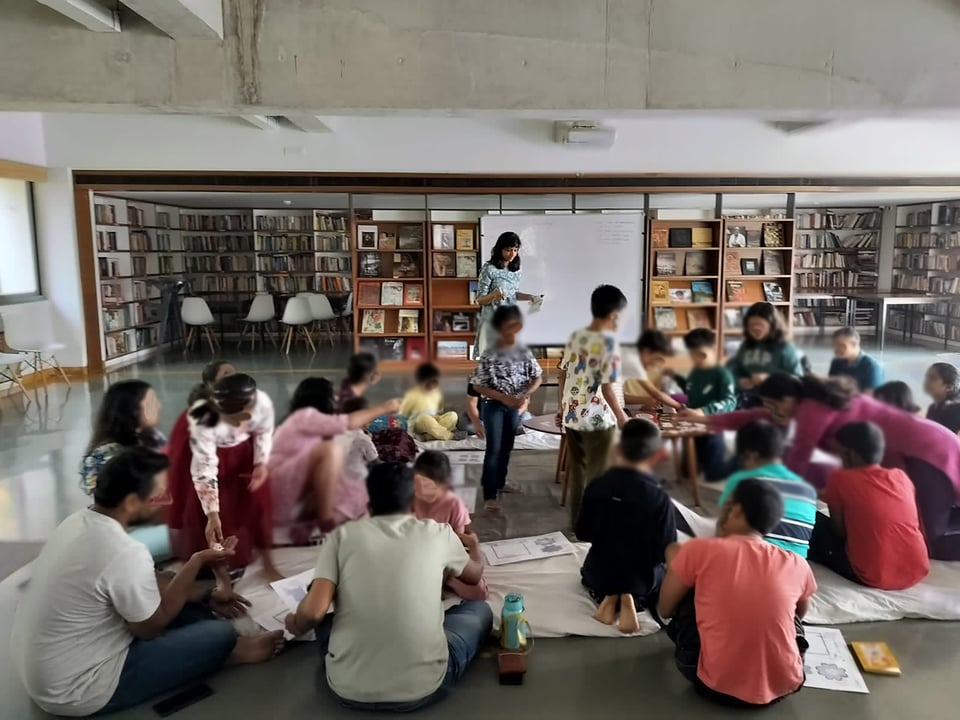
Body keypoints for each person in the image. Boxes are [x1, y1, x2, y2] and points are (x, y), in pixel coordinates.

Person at [11, 448, 283, 717]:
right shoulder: (122, 549)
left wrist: (206, 595)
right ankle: (229, 656)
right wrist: (197, 562)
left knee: (199, 611)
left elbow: (145, 581)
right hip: (77, 688)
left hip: (50, 664)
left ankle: (204, 647)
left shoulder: (78, 522)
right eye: (160, 495)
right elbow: (150, 628)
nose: (168, 500)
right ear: (131, 503)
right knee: (220, 636)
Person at [284, 462, 492, 711]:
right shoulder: (438, 532)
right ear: (415, 506)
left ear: (369, 506)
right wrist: (476, 548)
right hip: (425, 687)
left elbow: (311, 613)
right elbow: (474, 576)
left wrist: (294, 623)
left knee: (327, 619)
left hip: (347, 688)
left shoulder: (342, 536)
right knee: (479, 611)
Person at [702, 373, 960, 560]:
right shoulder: (810, 403)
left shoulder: (812, 408)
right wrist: (708, 419)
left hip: (925, 450)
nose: (772, 412)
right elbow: (761, 418)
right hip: (915, 448)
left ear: (791, 398)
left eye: (774, 404)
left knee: (932, 542)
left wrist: (778, 501)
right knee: (920, 518)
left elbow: (799, 459)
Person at [657, 478, 816, 707]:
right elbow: (800, 615)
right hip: (784, 686)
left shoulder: (698, 551)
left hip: (710, 684)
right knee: (788, 612)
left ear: (737, 510)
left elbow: (665, 609)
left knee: (690, 591)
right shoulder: (796, 563)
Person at [166, 373, 280, 579]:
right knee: (218, 518)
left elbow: (264, 431)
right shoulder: (204, 421)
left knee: (258, 505)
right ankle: (221, 571)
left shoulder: (261, 403)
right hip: (216, 459)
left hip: (245, 456)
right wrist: (212, 513)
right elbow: (205, 467)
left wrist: (260, 462)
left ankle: (268, 565)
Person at [576, 418, 675, 634]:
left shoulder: (597, 485)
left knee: (605, 565)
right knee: (662, 569)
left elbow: (582, 532)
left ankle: (611, 596)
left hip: (598, 575)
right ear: (656, 455)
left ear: (618, 449)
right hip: (643, 580)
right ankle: (629, 595)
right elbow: (664, 550)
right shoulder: (659, 497)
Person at [270, 378, 400, 538]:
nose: (337, 400)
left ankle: (306, 523)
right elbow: (349, 423)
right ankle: (325, 520)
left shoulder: (297, 422)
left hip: (291, 489)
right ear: (322, 399)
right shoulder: (304, 417)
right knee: (333, 456)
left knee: (353, 492)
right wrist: (384, 408)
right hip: (282, 487)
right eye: (334, 396)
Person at [809, 422, 929, 590]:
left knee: (811, 517)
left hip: (871, 574)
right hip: (917, 570)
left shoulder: (841, 479)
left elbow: (839, 532)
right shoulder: (901, 477)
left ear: (849, 454)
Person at [557, 285, 630, 526]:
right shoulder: (610, 344)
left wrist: (561, 407)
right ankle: (595, 527)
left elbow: (563, 375)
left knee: (578, 472)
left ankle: (577, 525)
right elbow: (608, 388)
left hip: (572, 415)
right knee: (599, 475)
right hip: (597, 419)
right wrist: (622, 417)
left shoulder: (575, 337)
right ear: (614, 314)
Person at [471, 304, 543, 511]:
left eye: (516, 327)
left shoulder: (523, 351)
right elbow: (477, 385)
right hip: (493, 406)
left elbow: (537, 377)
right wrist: (504, 398)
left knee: (507, 447)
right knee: (493, 449)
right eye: (508, 327)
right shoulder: (490, 353)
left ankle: (501, 483)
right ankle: (489, 495)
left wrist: (524, 395)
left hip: (514, 406)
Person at [716, 420, 817, 558]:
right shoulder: (809, 490)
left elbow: (723, 525)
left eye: (742, 458)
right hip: (795, 568)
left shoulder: (743, 480)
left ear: (752, 455)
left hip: (746, 561)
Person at [413, 450, 489, 600]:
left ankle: (442, 581)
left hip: (445, 559)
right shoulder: (408, 500)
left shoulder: (453, 503)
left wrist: (442, 574)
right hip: (416, 556)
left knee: (478, 592)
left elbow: (457, 546)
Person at [79, 379, 165, 495]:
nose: (159, 406)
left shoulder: (154, 437)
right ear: (132, 409)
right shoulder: (105, 456)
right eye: (151, 402)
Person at [675, 328, 736, 481]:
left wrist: (704, 410)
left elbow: (730, 401)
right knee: (688, 473)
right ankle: (697, 466)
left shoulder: (722, 374)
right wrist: (676, 378)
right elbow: (690, 389)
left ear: (714, 350)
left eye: (702, 355)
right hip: (693, 425)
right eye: (694, 355)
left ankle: (739, 462)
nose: (698, 359)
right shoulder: (696, 371)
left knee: (714, 475)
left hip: (712, 426)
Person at [474, 231, 540, 357]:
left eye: (515, 250)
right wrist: (494, 295)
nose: (512, 254)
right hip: (492, 322)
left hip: (510, 321)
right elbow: (480, 299)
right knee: (491, 362)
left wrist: (530, 297)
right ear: (500, 249)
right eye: (508, 250)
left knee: (509, 361)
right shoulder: (489, 268)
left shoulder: (516, 270)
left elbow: (513, 294)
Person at [726, 302, 802, 406]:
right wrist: (739, 381)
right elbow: (733, 368)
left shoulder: (784, 348)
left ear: (772, 325)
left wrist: (769, 378)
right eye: (751, 325)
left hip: (774, 401)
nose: (755, 329)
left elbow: (797, 379)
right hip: (747, 398)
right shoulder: (747, 346)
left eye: (760, 325)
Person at [620, 329, 685, 409]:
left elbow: (620, 396)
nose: (656, 364)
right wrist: (680, 407)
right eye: (657, 359)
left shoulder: (630, 355)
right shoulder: (633, 362)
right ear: (647, 351)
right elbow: (657, 394)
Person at [401, 362, 459, 441]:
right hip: (418, 421)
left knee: (453, 415)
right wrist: (410, 433)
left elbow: (439, 412)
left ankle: (427, 437)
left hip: (434, 420)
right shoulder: (412, 395)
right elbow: (403, 416)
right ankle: (450, 436)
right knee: (425, 418)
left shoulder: (437, 394)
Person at [828, 326, 884, 392]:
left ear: (855, 344)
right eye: (835, 346)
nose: (836, 350)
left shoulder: (872, 368)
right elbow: (830, 387)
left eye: (842, 346)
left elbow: (870, 398)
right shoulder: (836, 362)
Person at [924, 362, 960, 434]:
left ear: (948, 387)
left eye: (933, 378)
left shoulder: (955, 409)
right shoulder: (933, 408)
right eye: (927, 376)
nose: (927, 381)